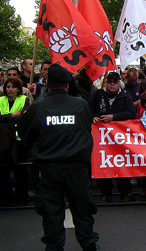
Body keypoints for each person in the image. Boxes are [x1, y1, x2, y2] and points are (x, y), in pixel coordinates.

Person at [17, 64, 99, 251]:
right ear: (67, 85)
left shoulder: (38, 107)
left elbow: (25, 134)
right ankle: (88, 244)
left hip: (47, 169)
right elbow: (86, 129)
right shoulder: (80, 105)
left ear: (47, 83)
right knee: (82, 209)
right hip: (76, 169)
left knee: (51, 212)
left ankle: (54, 247)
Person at [88, 72, 136, 203]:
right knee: (103, 164)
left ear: (119, 83)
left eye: (115, 82)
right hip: (102, 139)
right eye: (110, 82)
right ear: (106, 83)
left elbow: (132, 113)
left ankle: (125, 192)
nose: (112, 84)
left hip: (120, 139)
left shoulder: (125, 96)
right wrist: (93, 117)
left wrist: (113, 117)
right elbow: (87, 110)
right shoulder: (98, 95)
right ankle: (106, 193)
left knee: (122, 164)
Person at [0, 78, 30, 206]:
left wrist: (4, 119)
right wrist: (11, 116)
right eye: (8, 87)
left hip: (18, 140)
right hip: (3, 140)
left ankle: (21, 197)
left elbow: (24, 117)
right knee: (3, 171)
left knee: (21, 170)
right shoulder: (1, 100)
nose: (10, 89)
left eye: (13, 87)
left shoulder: (24, 100)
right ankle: (5, 198)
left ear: (18, 89)